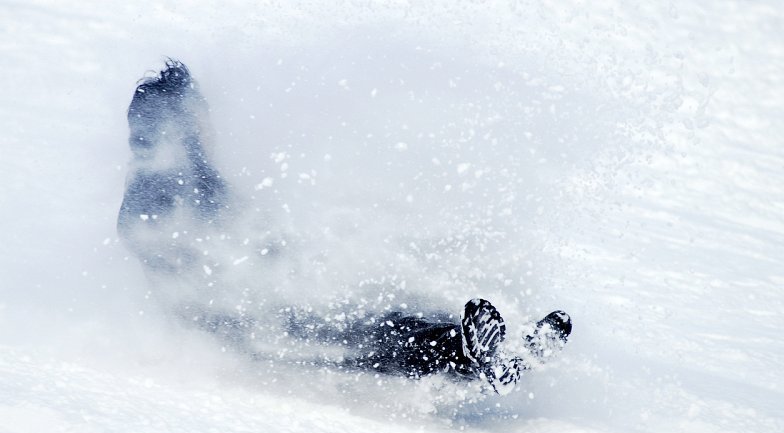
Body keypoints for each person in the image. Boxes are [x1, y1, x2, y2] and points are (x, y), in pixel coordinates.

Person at [118, 60, 572, 394]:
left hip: (264, 308)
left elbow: (247, 240)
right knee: (364, 332)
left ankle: (485, 356)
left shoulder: (188, 177)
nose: (203, 124)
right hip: (244, 329)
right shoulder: (156, 197)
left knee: (375, 311)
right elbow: (195, 276)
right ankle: (467, 359)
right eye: (191, 116)